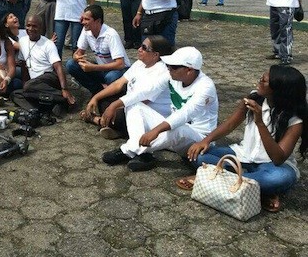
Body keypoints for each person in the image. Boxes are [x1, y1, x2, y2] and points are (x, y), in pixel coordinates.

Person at [181, 65, 307, 213]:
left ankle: (214, 177)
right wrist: (206, 141)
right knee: (197, 155)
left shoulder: (294, 119)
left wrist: (260, 122)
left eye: (263, 81)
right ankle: (255, 187)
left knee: (278, 179)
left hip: (272, 166)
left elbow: (278, 158)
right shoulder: (254, 98)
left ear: (278, 89)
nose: (258, 82)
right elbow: (230, 125)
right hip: (242, 155)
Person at [102, 46, 218, 172]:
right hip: (171, 133)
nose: (168, 68)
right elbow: (145, 92)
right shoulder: (172, 77)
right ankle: (144, 154)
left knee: (177, 128)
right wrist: (115, 104)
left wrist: (156, 130)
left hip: (196, 139)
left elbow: (186, 114)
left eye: (173, 67)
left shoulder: (206, 87)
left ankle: (128, 150)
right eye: (168, 65)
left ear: (189, 70)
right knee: (134, 104)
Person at [82, 36, 173, 140]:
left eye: (144, 48)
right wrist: (96, 98)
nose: (139, 49)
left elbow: (142, 100)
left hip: (147, 112)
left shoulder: (161, 72)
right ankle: (116, 128)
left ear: (155, 55)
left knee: (118, 115)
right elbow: (118, 84)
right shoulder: (140, 63)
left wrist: (114, 107)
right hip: (128, 103)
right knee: (102, 98)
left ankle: (97, 120)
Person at [11, 15, 75, 116]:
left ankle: (64, 96)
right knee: (16, 94)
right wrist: (24, 82)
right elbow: (23, 64)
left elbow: (58, 67)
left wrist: (64, 88)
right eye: (28, 25)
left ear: (41, 28)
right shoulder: (23, 41)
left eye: (35, 26)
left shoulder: (48, 44)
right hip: (35, 84)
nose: (31, 29)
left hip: (49, 77)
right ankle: (41, 109)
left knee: (29, 86)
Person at [66, 4, 130, 96]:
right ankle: (98, 91)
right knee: (71, 64)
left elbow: (120, 64)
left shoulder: (111, 35)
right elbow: (78, 53)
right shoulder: (86, 31)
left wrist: (93, 67)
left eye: (87, 19)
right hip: (102, 68)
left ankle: (114, 94)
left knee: (111, 76)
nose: (83, 22)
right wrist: (77, 57)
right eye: (83, 19)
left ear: (98, 21)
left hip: (120, 70)